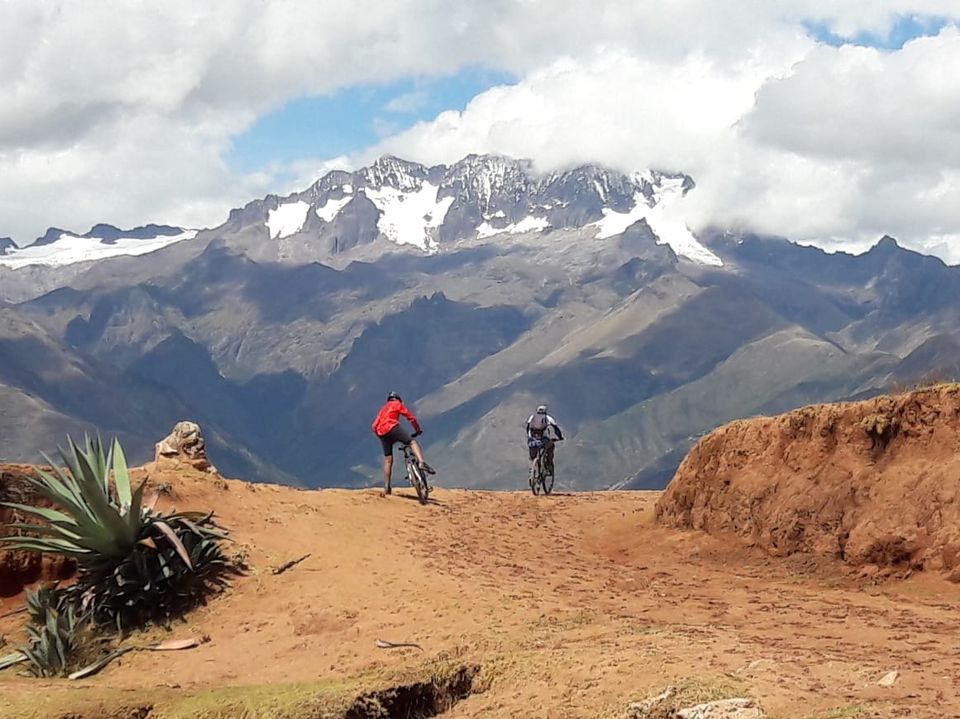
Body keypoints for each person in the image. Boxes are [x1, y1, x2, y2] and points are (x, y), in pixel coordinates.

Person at [372, 391, 435, 496]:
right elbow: (411, 418)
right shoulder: (397, 404)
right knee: (412, 442)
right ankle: (421, 462)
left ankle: (387, 487)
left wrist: (381, 436)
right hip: (392, 427)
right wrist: (418, 430)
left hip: (382, 433)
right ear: (398, 399)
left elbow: (374, 426)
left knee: (388, 460)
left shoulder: (383, 409)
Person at [526, 404, 563, 474]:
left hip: (532, 440)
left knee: (532, 456)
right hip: (542, 441)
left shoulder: (532, 417)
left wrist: (529, 437)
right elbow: (556, 428)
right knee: (551, 446)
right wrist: (560, 437)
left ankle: (531, 468)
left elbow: (527, 428)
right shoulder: (548, 418)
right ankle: (549, 463)